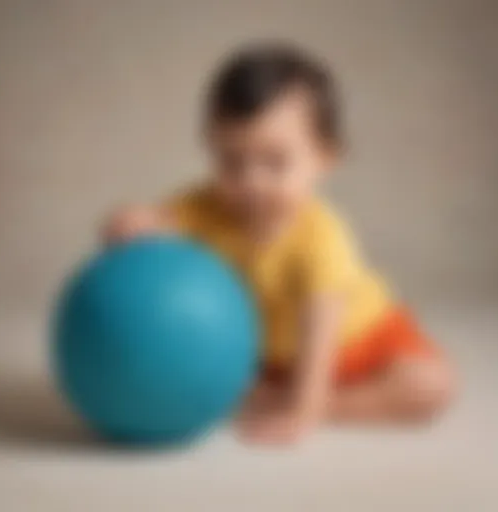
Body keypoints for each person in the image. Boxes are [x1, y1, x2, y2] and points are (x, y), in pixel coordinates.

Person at [103, 43, 455, 445]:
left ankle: (327, 406)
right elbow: (153, 221)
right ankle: (277, 395)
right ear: (210, 147)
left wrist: (303, 412)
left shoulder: (320, 237)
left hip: (359, 338)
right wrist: (129, 223)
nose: (251, 181)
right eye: (231, 161)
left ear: (325, 157)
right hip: (272, 357)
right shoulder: (205, 207)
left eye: (274, 162)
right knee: (190, 374)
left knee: (431, 386)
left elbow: (320, 328)